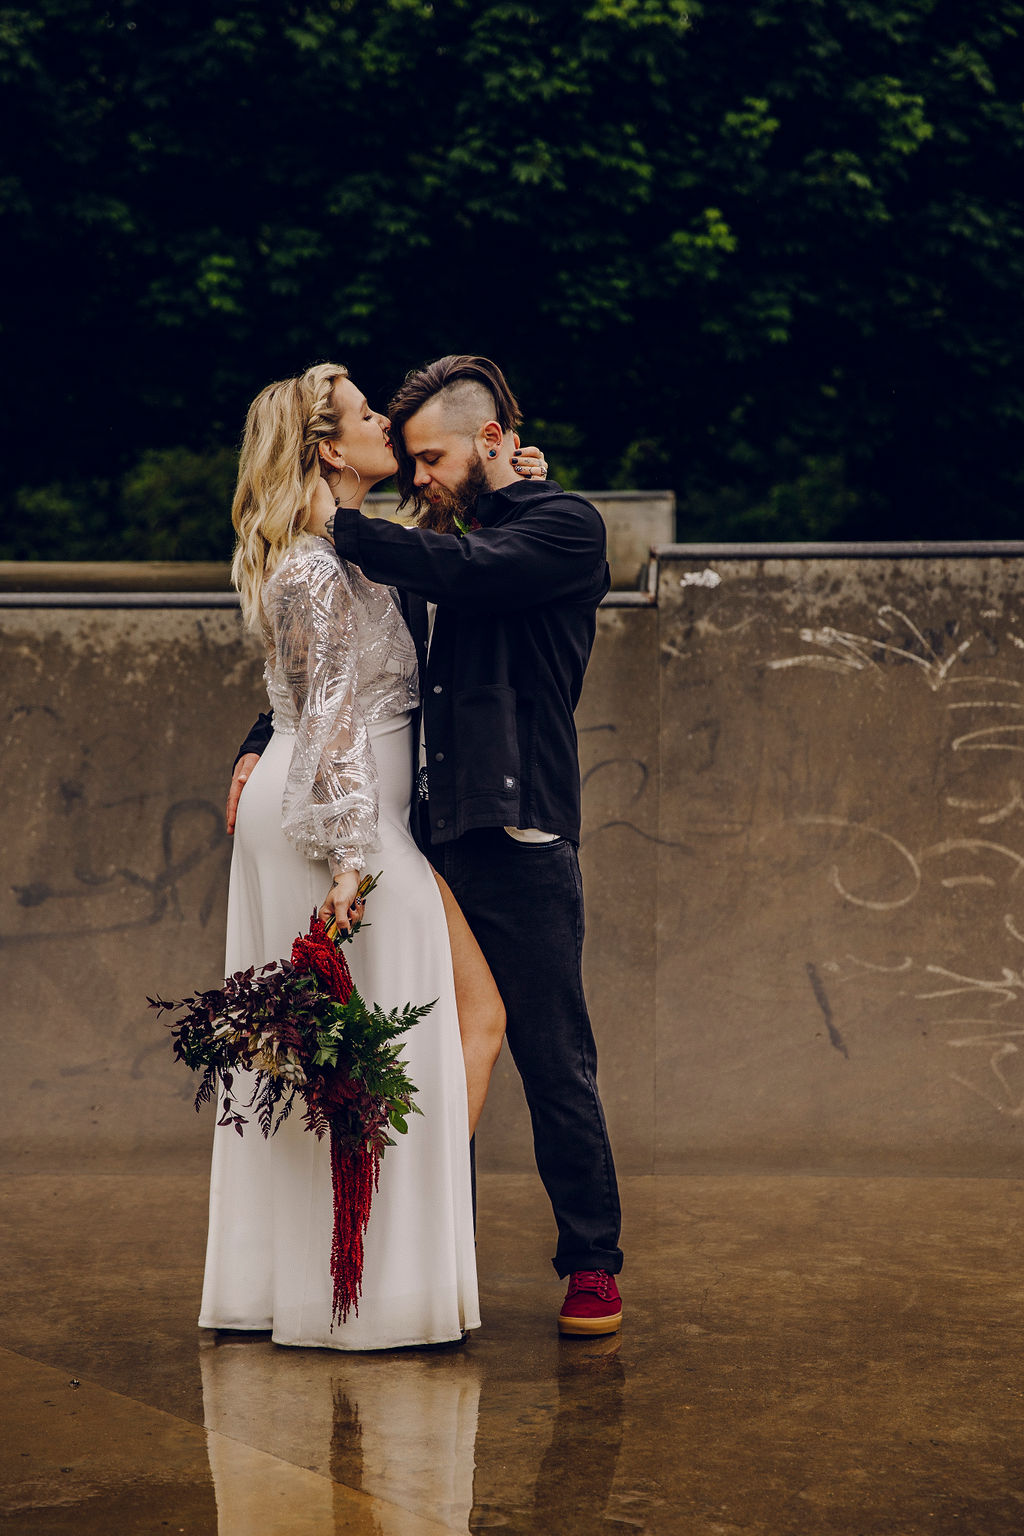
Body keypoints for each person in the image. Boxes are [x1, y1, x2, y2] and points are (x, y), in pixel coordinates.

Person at [234, 355, 623, 1336]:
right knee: (428, 1045)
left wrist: (338, 518)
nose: (419, 476)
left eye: (434, 457)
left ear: (490, 442)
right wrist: (259, 742)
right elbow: (333, 669)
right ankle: (424, 1254)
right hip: (416, 831)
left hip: (515, 838)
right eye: (407, 459)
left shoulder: (558, 528)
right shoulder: (419, 540)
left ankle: (591, 1263)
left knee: (551, 1056)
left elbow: (473, 570)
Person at [201, 361, 510, 1351]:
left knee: (385, 1047)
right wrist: (349, 861)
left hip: (345, 817)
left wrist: (510, 475)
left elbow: (457, 549)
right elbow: (328, 717)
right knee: (383, 1046)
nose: (390, 423)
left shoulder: (361, 548)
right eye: (372, 414)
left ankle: (348, 1279)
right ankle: (364, 1290)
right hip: (333, 824)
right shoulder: (308, 565)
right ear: (329, 447)